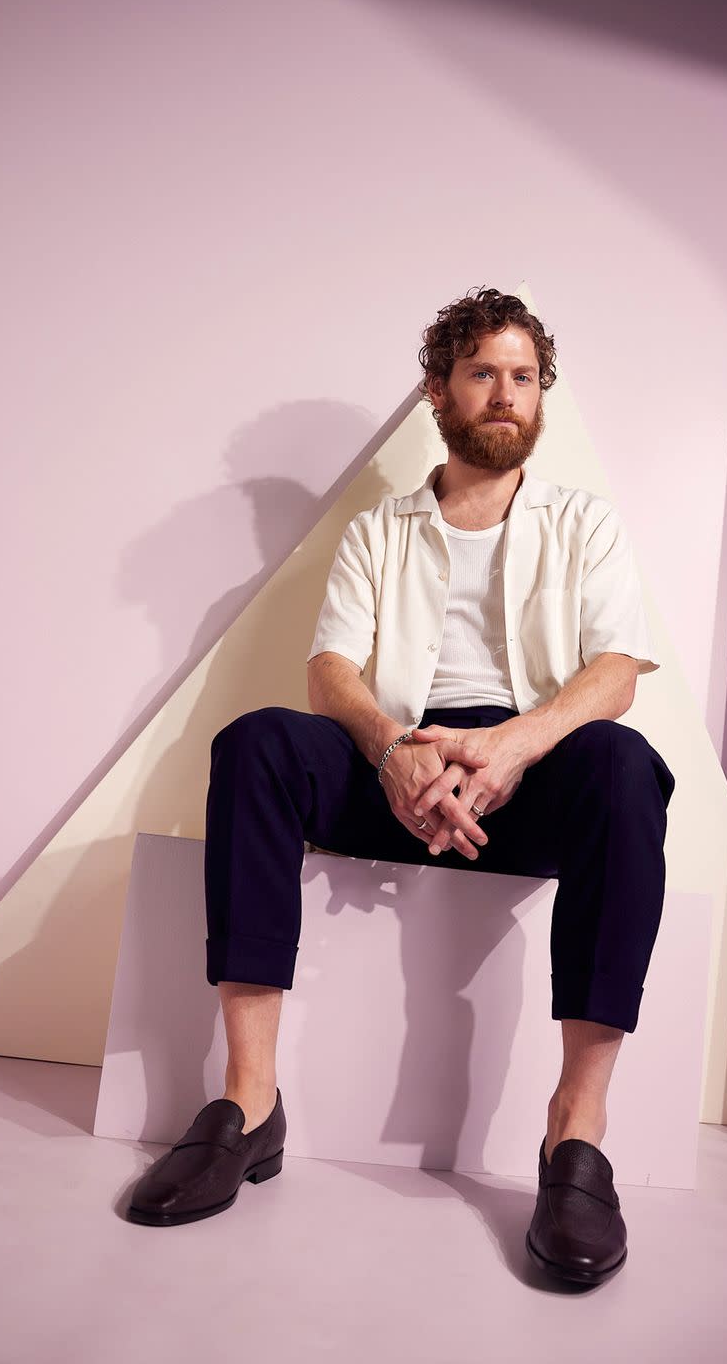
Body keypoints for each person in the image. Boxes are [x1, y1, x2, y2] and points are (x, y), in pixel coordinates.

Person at [127, 287, 676, 1286]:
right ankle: (249, 1105)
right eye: (483, 375)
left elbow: (613, 671)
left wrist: (511, 748)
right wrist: (390, 751)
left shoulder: (582, 524)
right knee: (258, 743)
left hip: (527, 778)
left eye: (524, 377)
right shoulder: (381, 531)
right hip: (399, 771)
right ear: (439, 390)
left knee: (625, 765)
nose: (507, 395)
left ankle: (575, 1137)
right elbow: (332, 668)